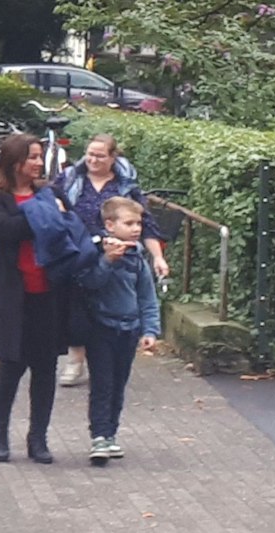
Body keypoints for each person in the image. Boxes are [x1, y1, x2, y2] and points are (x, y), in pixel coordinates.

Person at [52, 134, 170, 387]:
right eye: (90, 154)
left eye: (100, 155)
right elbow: (53, 204)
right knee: (76, 306)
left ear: (113, 157)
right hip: (79, 251)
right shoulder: (71, 178)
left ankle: (101, 361)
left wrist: (158, 257)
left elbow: (145, 222)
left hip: (117, 254)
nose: (92, 160)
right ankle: (75, 360)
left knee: (106, 306)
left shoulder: (126, 185)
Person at [0, 132, 69, 464]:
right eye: (32, 156)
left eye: (39, 156)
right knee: (11, 365)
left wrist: (46, 212)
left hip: (49, 293)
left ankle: (38, 438)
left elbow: (64, 226)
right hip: (12, 295)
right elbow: (6, 232)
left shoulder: (49, 192)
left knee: (45, 368)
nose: (37, 162)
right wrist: (43, 213)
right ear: (14, 161)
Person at [75, 196, 162, 465]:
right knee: (102, 383)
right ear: (110, 225)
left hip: (129, 329)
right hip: (101, 328)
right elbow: (89, 284)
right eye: (129, 223)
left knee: (119, 385)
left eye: (139, 223)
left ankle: (111, 433)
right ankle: (99, 435)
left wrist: (150, 330)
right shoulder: (96, 251)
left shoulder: (137, 259)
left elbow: (147, 297)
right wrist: (107, 261)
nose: (136, 229)